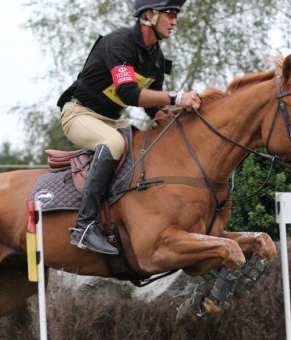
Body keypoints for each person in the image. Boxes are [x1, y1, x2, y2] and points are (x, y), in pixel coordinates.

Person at [57, 0, 202, 255]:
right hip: (79, 113)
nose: (174, 21)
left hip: (112, 120)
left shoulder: (156, 58)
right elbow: (128, 93)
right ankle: (84, 226)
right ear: (149, 15)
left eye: (176, 15)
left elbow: (151, 106)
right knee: (113, 143)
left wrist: (174, 117)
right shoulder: (119, 43)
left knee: (143, 148)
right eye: (169, 14)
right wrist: (177, 97)